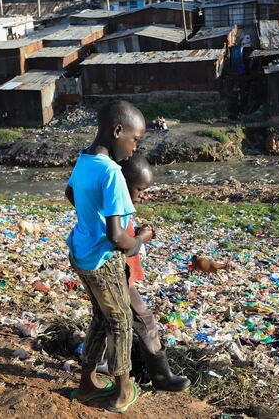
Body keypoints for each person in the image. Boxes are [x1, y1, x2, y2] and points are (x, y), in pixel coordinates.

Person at [65, 100, 150, 413]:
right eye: (135, 140)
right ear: (117, 131)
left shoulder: (84, 159)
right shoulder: (113, 173)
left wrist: (90, 218)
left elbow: (70, 193)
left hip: (81, 254)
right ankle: (122, 390)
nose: (133, 148)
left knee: (101, 317)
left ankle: (87, 383)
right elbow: (118, 237)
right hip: (102, 261)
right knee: (121, 321)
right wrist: (140, 239)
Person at [116, 153, 190, 392]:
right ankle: (161, 376)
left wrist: (137, 231)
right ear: (124, 183)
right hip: (117, 276)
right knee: (144, 319)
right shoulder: (116, 204)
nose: (142, 195)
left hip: (117, 275)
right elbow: (120, 246)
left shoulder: (120, 203)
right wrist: (141, 237)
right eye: (139, 188)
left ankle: (103, 367)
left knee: (109, 322)